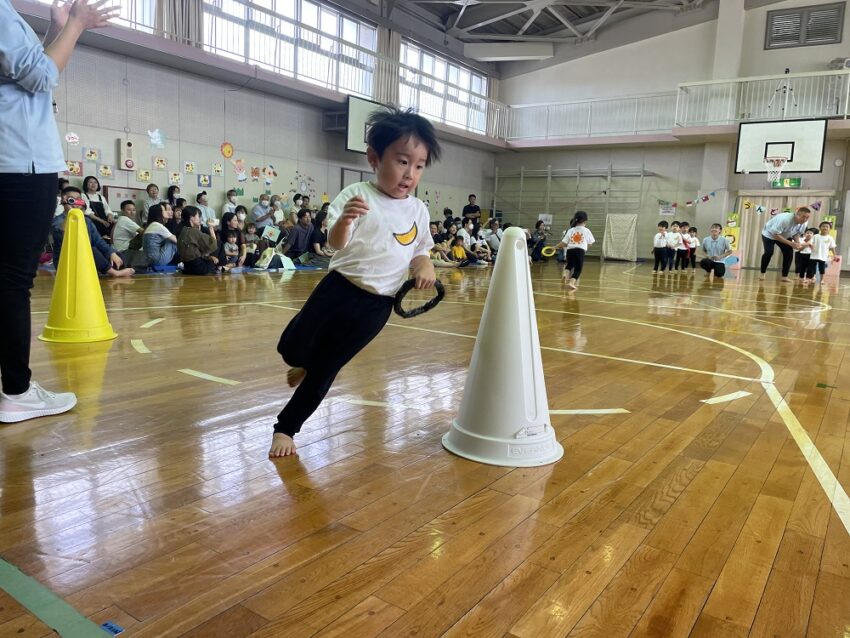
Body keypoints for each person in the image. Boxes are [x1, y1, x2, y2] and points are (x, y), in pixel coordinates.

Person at [270, 107, 440, 458]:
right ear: (375, 158)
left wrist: (426, 267)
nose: (410, 173)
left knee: (327, 369)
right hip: (338, 290)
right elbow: (335, 243)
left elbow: (420, 251)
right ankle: (304, 362)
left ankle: (286, 427)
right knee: (291, 349)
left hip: (377, 307)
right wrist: (345, 221)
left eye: (419, 165)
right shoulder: (357, 195)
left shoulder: (418, 211)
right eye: (402, 161)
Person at [0, 0, 116, 423]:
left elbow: (25, 68)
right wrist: (79, 25)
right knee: (12, 281)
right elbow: (42, 75)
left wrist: (56, 29)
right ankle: (15, 391)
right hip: (18, 161)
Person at [52, 187, 133, 278]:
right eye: (71, 199)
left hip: (85, 258)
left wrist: (111, 253)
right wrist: (71, 211)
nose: (75, 202)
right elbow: (64, 239)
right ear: (64, 200)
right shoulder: (58, 221)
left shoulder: (86, 220)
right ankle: (114, 272)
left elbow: (98, 240)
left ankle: (109, 269)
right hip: (66, 261)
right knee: (90, 249)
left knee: (116, 253)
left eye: (78, 199)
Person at [759, 206, 811, 281]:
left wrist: (797, 242)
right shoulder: (785, 219)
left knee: (789, 253)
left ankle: (784, 276)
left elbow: (797, 234)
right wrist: (791, 243)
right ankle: (762, 273)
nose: (805, 219)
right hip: (770, 234)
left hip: (785, 235)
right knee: (769, 252)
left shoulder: (804, 223)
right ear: (796, 214)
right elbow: (775, 235)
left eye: (807, 217)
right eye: (803, 217)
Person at [553, 211, 594, 289]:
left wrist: (555, 247)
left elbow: (564, 243)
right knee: (578, 269)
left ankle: (565, 274)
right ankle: (571, 283)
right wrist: (586, 248)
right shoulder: (586, 230)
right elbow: (591, 242)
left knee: (569, 265)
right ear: (585, 221)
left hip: (570, 251)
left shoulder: (571, 230)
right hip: (580, 251)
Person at [178, 206, 223, 274]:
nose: (200, 219)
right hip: (198, 268)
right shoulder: (193, 231)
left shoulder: (183, 230)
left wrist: (209, 257)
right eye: (198, 216)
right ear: (191, 218)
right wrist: (211, 227)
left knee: (210, 256)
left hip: (187, 267)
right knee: (218, 244)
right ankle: (223, 266)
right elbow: (213, 245)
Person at [805, 221, 837, 285]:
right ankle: (808, 279)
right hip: (814, 255)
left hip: (823, 256)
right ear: (820, 228)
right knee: (811, 268)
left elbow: (833, 247)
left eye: (827, 227)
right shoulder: (815, 236)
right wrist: (810, 246)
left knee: (822, 269)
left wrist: (834, 255)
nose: (825, 228)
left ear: (829, 229)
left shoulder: (830, 238)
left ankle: (822, 279)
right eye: (823, 226)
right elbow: (810, 243)